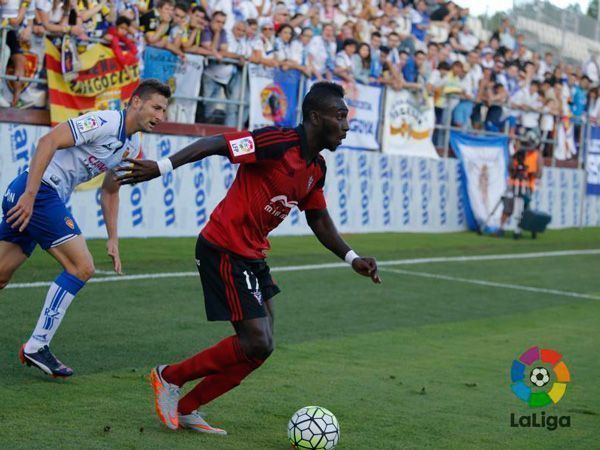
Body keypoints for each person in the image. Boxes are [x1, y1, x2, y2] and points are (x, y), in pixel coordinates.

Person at [115, 82, 382, 435]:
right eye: (341, 116)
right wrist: (162, 167)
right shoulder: (277, 142)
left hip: (252, 255)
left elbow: (317, 218)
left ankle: (187, 408)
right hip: (223, 246)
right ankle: (169, 376)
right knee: (256, 340)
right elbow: (215, 144)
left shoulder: (316, 167)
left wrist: (352, 257)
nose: (346, 125)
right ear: (316, 118)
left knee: (262, 347)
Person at [0, 79, 171, 377]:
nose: (160, 116)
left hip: (37, 196)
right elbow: (48, 141)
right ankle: (37, 345)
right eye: (156, 107)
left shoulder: (132, 145)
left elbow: (110, 190)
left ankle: (38, 345)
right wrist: (30, 195)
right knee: (81, 267)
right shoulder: (106, 121)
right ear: (135, 102)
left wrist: (113, 238)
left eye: (165, 111)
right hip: (39, 193)